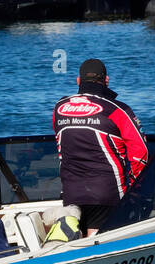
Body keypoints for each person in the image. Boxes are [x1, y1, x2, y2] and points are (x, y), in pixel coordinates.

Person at [52, 59, 148, 236]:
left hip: (71, 193)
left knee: (78, 242)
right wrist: (134, 189)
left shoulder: (59, 107)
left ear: (78, 81)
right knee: (98, 240)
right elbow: (140, 153)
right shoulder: (118, 109)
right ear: (107, 80)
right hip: (107, 192)